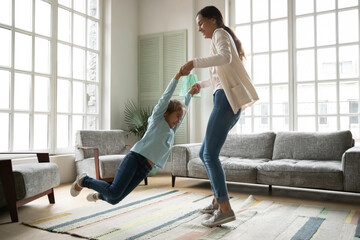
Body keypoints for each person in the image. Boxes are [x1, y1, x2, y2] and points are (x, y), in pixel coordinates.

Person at [70, 68, 199, 204]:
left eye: (179, 118)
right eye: (176, 116)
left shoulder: (171, 131)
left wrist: (189, 95)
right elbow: (165, 97)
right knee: (114, 192)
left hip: (146, 168)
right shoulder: (157, 120)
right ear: (166, 112)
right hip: (135, 159)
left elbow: (183, 116)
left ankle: (98, 195)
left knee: (115, 199)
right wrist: (177, 76)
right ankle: (84, 180)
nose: (178, 120)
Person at [182, 6, 259, 228]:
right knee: (204, 152)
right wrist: (201, 84)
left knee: (210, 154)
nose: (199, 28)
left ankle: (225, 210)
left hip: (225, 101)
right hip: (223, 98)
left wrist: (194, 62)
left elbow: (224, 57)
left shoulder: (219, 34)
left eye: (201, 23)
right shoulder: (218, 36)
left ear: (213, 20)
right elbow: (220, 77)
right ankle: (217, 200)